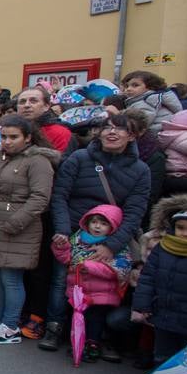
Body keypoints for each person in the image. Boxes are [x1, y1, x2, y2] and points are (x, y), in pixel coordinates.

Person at [42, 111, 151, 352]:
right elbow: (59, 196)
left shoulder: (141, 170)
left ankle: (94, 336)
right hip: (71, 233)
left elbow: (135, 212)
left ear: (132, 136)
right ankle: (55, 327)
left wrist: (111, 245)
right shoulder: (79, 158)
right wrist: (61, 230)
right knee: (61, 282)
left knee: (104, 288)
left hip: (110, 238)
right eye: (107, 127)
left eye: (120, 129)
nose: (112, 132)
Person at [0, 115, 59, 344]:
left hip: (18, 228)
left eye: (13, 137)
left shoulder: (38, 161)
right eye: (3, 136)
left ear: (28, 137)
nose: (7, 141)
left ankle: (10, 325)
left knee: (11, 278)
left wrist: (15, 222)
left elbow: (40, 198)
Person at [133, 199, 187, 374]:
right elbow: (148, 277)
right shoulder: (164, 247)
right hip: (164, 311)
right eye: (181, 228)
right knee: (163, 352)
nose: (186, 234)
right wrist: (142, 304)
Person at [52, 205, 133, 362]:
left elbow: (119, 269)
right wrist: (60, 247)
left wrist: (88, 267)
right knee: (78, 317)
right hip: (78, 291)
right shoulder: (77, 239)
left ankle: (93, 344)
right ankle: (77, 343)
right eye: (94, 222)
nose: (97, 226)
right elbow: (66, 259)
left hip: (101, 293)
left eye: (103, 223)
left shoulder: (116, 247)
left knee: (95, 319)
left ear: (112, 226)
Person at [16, 85, 74, 154]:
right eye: (22, 102)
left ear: (46, 106)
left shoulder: (60, 133)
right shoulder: (7, 130)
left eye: (33, 101)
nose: (26, 105)